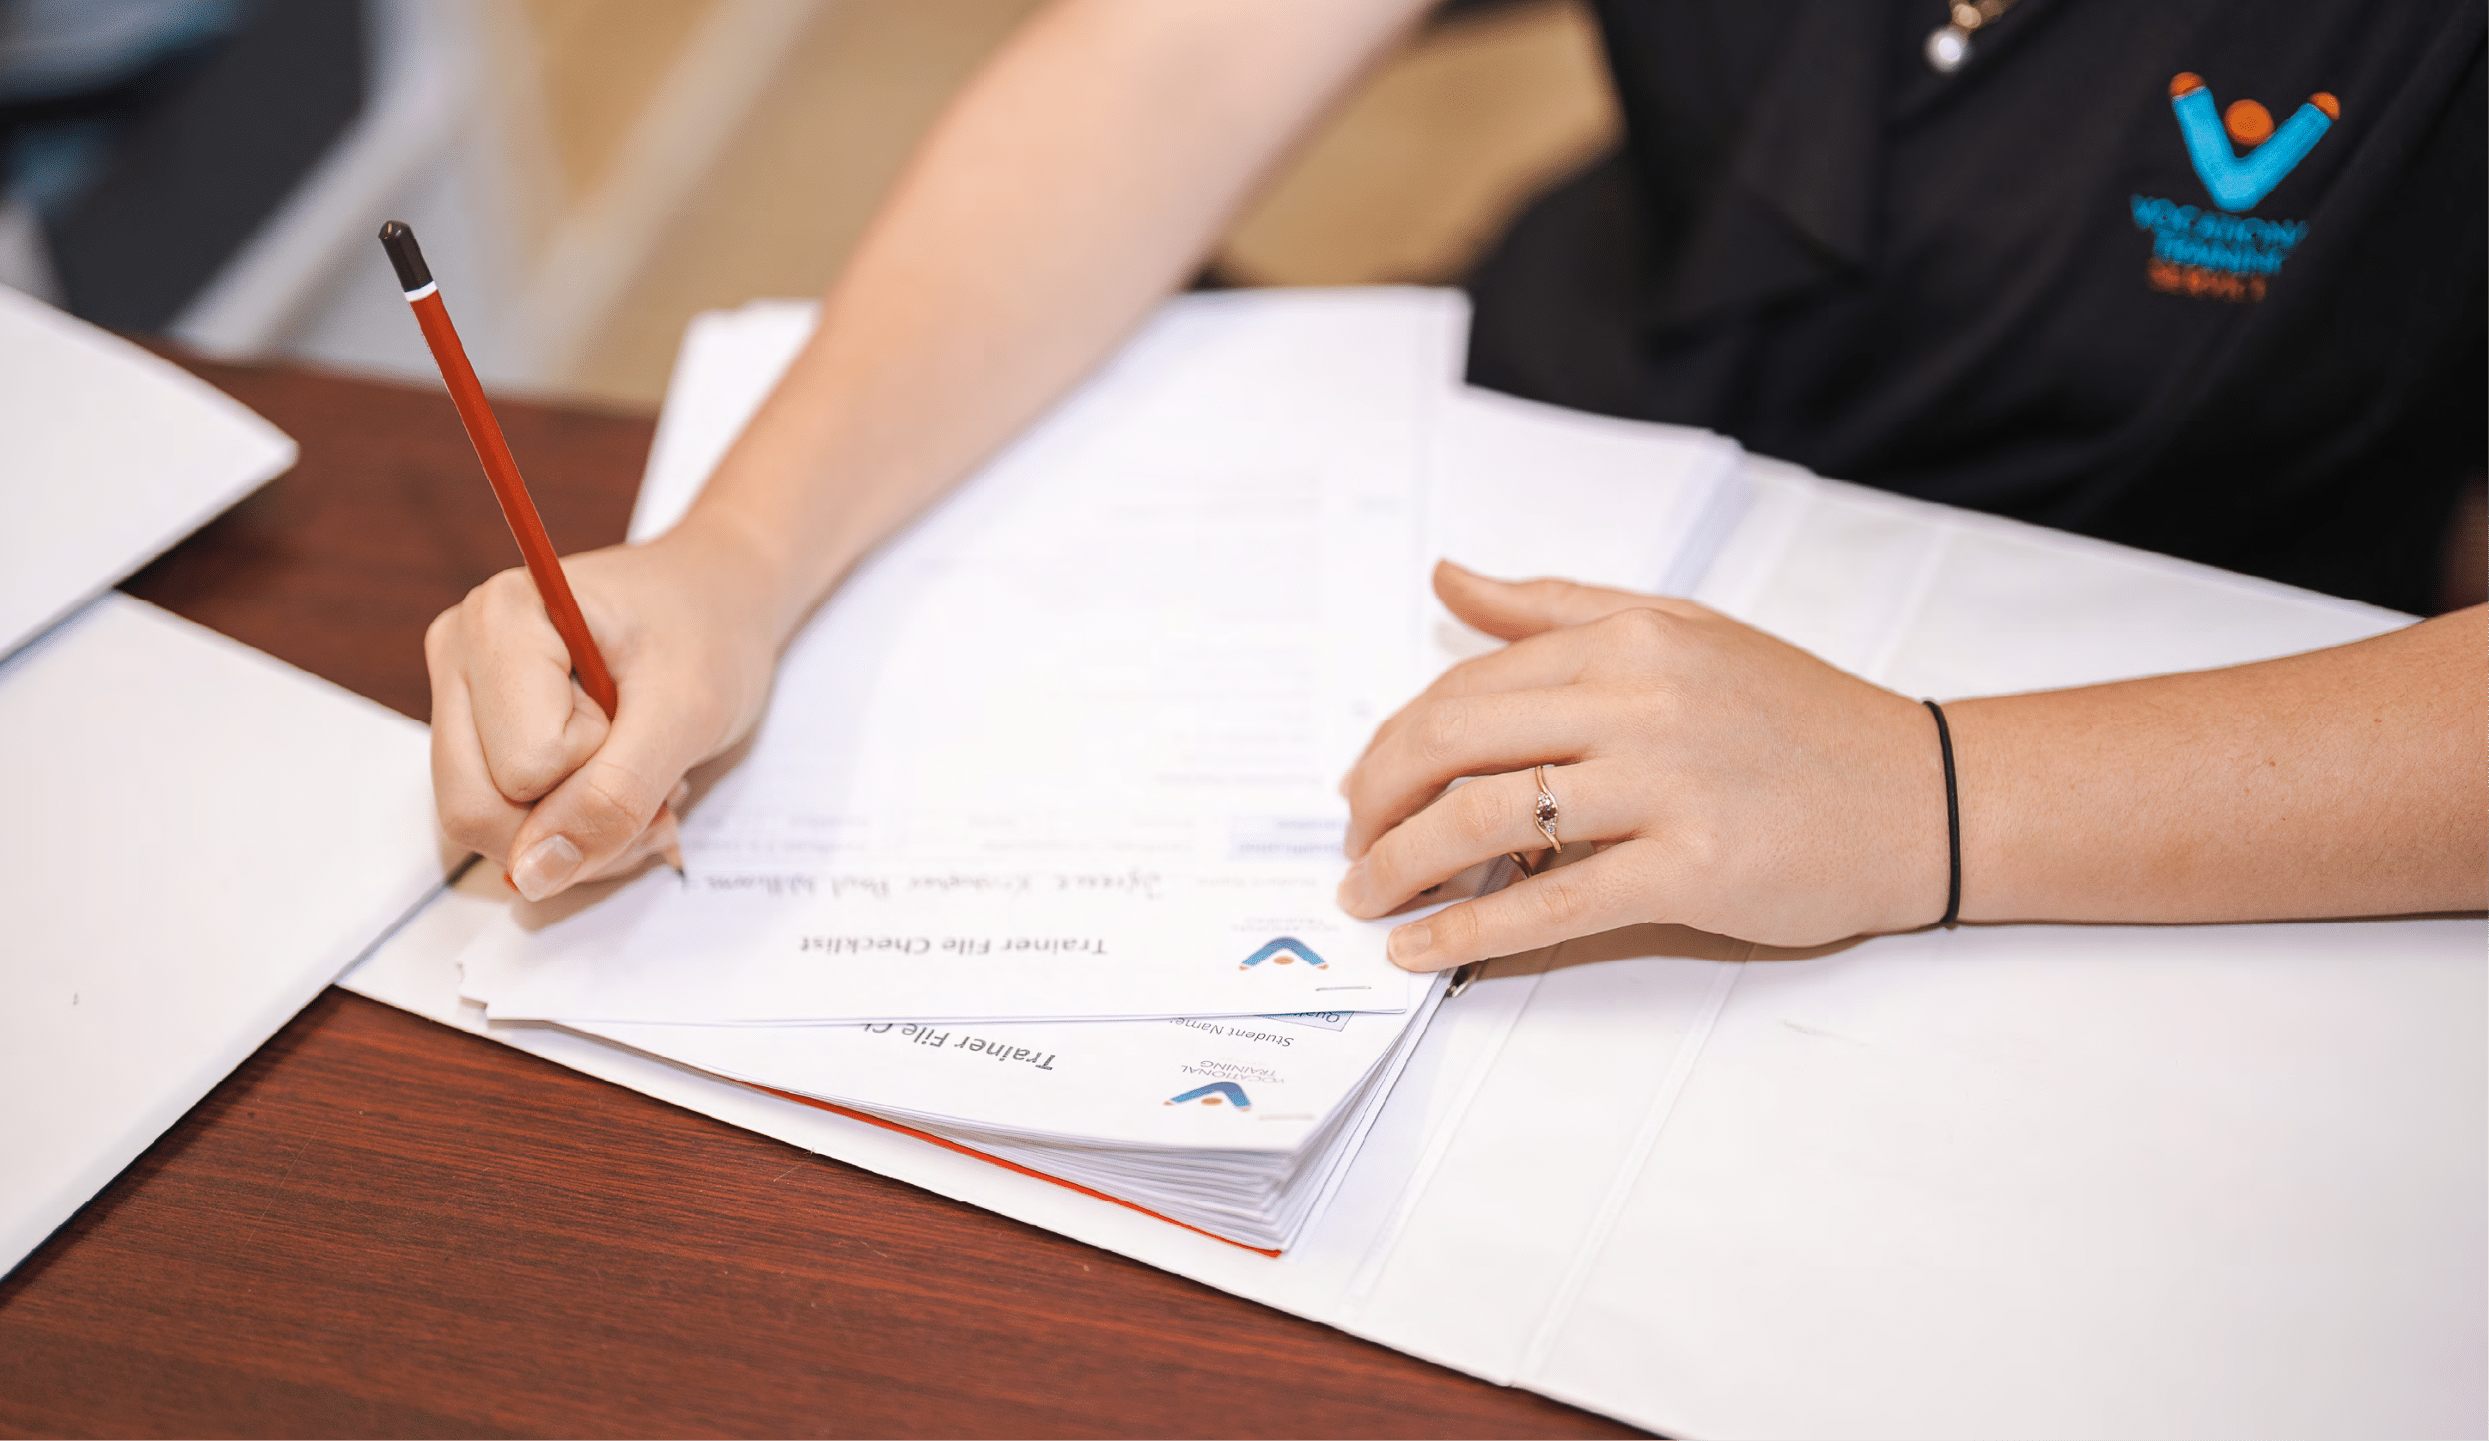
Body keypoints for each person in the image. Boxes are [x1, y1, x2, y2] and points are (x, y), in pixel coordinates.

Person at [426, 0, 2486, 971]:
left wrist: (1926, 798)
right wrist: (739, 548)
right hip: (1542, 438)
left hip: (2168, 692)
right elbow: (1174, 60)